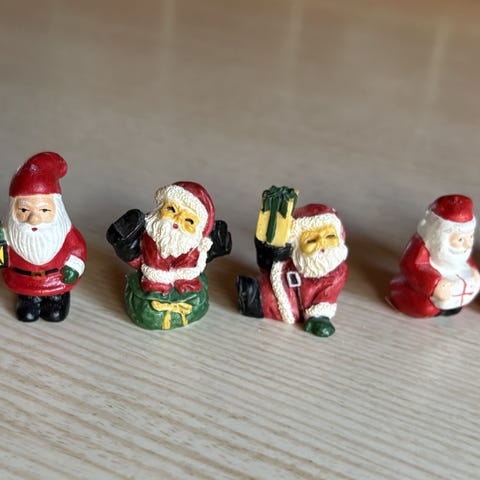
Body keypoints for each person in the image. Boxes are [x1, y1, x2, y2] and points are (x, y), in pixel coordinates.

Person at [107, 181, 231, 330]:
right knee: (146, 307)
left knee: (196, 298)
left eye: (188, 220)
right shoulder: (149, 235)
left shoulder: (193, 246)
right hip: (152, 283)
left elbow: (200, 259)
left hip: (186, 283)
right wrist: (126, 246)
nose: (176, 221)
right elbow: (136, 258)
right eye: (171, 209)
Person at [237, 203, 348, 337]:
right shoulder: (296, 259)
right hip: (278, 293)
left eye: (330, 237)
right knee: (262, 294)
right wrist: (269, 252)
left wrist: (318, 316)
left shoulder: (337, 271)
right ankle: (250, 297)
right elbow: (271, 268)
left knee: (268, 301)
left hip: (301, 305)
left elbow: (327, 296)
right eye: (311, 240)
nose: (322, 245)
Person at [1, 152, 87, 322]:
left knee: (55, 313)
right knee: (27, 314)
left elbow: (78, 250)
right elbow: (3, 260)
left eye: (44, 210)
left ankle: (57, 300)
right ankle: (28, 301)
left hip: (56, 280)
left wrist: (74, 267)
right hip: (23, 282)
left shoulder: (65, 233)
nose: (34, 219)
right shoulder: (8, 234)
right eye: (24, 210)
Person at [388, 194, 480, 317]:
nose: (467, 244)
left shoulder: (461, 248)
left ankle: (451, 307)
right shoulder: (423, 244)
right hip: (428, 284)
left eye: (470, 237)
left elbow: (464, 258)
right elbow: (411, 265)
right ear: (441, 236)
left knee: (465, 292)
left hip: (454, 283)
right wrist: (435, 284)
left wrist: (473, 270)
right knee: (425, 307)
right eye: (460, 240)